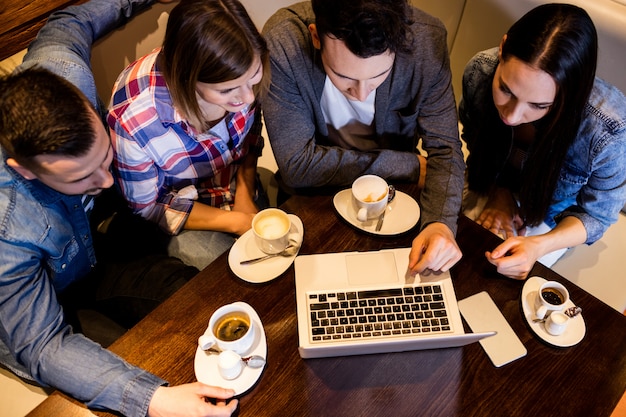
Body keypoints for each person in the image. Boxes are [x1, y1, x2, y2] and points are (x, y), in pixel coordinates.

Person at [0, 1, 238, 415]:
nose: (107, 182)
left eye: (104, 157)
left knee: (191, 298)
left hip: (97, 248)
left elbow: (70, 19)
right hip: (37, 311)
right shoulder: (6, 232)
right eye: (81, 178)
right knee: (138, 371)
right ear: (25, 170)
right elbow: (44, 345)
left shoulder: (62, 72)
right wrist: (154, 399)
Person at [261, 0, 465, 275]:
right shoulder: (285, 41)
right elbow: (297, 165)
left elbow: (445, 150)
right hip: (313, 198)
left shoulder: (427, 41)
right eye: (343, 77)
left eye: (378, 76)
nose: (361, 94)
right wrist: (408, 165)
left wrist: (439, 223)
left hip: (395, 197)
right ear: (315, 36)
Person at [459, 3, 626, 279]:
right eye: (505, 89)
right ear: (502, 49)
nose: (512, 116)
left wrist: (537, 246)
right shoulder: (480, 71)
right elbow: (473, 138)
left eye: (538, 105)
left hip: (553, 215)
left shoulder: (608, 129)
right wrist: (498, 192)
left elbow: (597, 215)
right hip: (488, 180)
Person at [107, 0, 270, 270]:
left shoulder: (243, 73)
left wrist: (244, 194)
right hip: (180, 209)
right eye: (228, 91)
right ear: (186, 78)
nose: (248, 97)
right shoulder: (134, 118)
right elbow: (147, 206)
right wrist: (236, 222)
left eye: (253, 77)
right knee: (231, 274)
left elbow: (251, 133)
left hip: (233, 183)